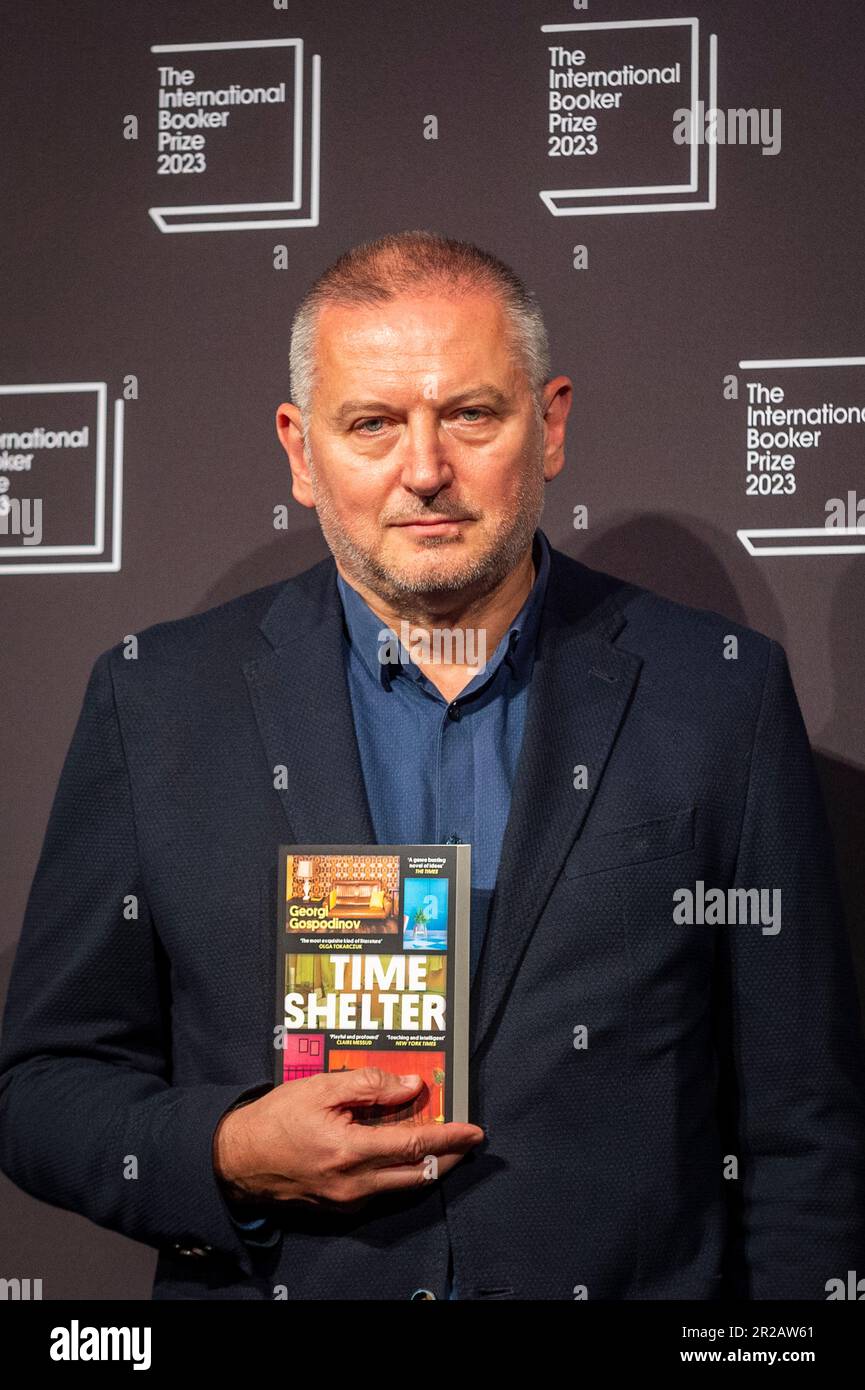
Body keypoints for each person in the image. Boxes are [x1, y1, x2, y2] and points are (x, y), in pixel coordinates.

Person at [1, 230, 864, 1301]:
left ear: (547, 425)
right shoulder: (158, 703)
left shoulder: (716, 693)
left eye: (469, 414)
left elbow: (804, 1127)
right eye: (373, 423)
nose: (425, 470)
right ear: (301, 452)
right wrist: (225, 1150)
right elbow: (42, 1087)